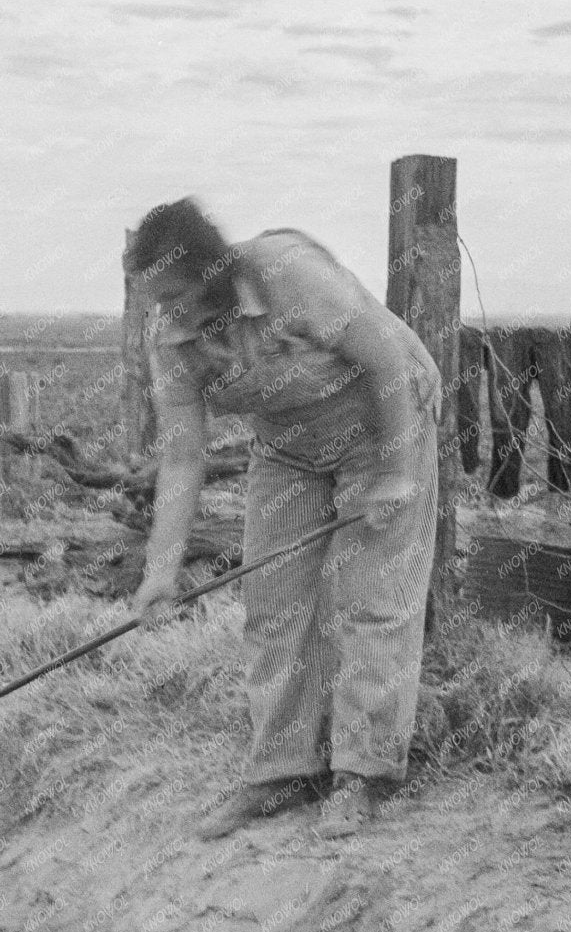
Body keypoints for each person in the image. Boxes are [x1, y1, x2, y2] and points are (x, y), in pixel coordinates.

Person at [126, 200, 442, 841]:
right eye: (155, 300)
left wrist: (397, 474)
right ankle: (282, 772)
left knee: (374, 599)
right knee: (273, 602)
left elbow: (384, 361)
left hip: (382, 421)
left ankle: (365, 776)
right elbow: (184, 458)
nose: (169, 312)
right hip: (289, 446)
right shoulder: (172, 341)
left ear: (210, 268)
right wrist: (161, 571)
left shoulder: (289, 273)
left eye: (177, 294)